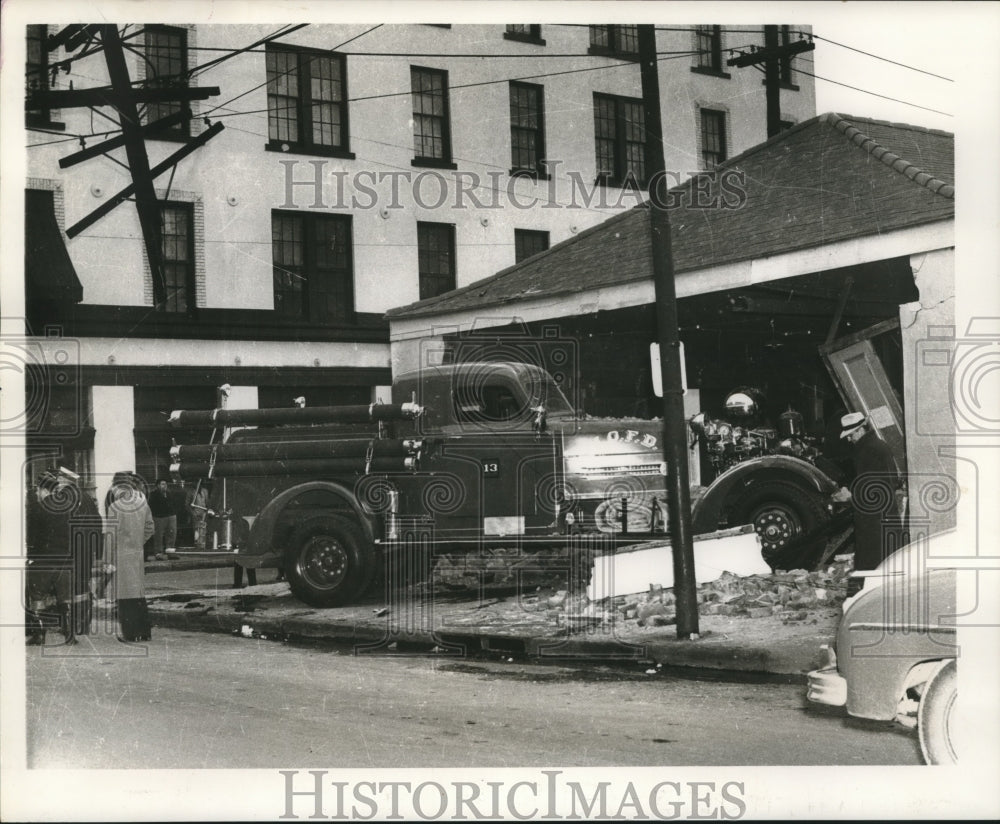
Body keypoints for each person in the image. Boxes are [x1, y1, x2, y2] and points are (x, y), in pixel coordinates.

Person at [24, 467, 101, 645]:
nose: (36, 493)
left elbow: (33, 538)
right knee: (65, 598)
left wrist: (31, 556)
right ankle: (69, 635)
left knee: (38, 597)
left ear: (43, 490)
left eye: (37, 489)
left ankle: (39, 635)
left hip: (43, 561)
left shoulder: (38, 508)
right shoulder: (68, 507)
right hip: (66, 560)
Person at [832, 412, 907, 590]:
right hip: (886, 515)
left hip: (873, 520)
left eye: (851, 435)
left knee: (870, 563)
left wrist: (849, 496)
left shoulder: (866, 451)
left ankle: (862, 599)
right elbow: (889, 481)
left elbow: (873, 491)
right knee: (887, 563)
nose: (850, 439)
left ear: (860, 430)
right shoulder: (880, 445)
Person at [104, 476, 155, 642]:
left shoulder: (115, 507)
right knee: (138, 595)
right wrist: (139, 542)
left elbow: (110, 537)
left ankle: (131, 634)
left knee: (125, 597)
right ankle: (144, 632)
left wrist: (107, 560)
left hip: (121, 555)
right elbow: (150, 528)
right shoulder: (143, 504)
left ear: (120, 488)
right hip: (137, 554)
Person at [148, 478, 178, 559]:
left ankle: (170, 552)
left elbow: (173, 503)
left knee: (171, 534)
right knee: (158, 535)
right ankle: (158, 553)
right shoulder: (153, 494)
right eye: (162, 484)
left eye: (165, 484)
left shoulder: (169, 493)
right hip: (159, 517)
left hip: (170, 516)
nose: (165, 486)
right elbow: (152, 506)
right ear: (158, 486)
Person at [190, 482, 210, 550]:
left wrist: (206, 512)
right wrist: (192, 513)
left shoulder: (205, 491)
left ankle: (203, 545)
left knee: (204, 529)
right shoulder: (191, 492)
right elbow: (187, 504)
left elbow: (207, 502)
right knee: (196, 529)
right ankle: (197, 545)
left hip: (203, 513)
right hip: (195, 513)